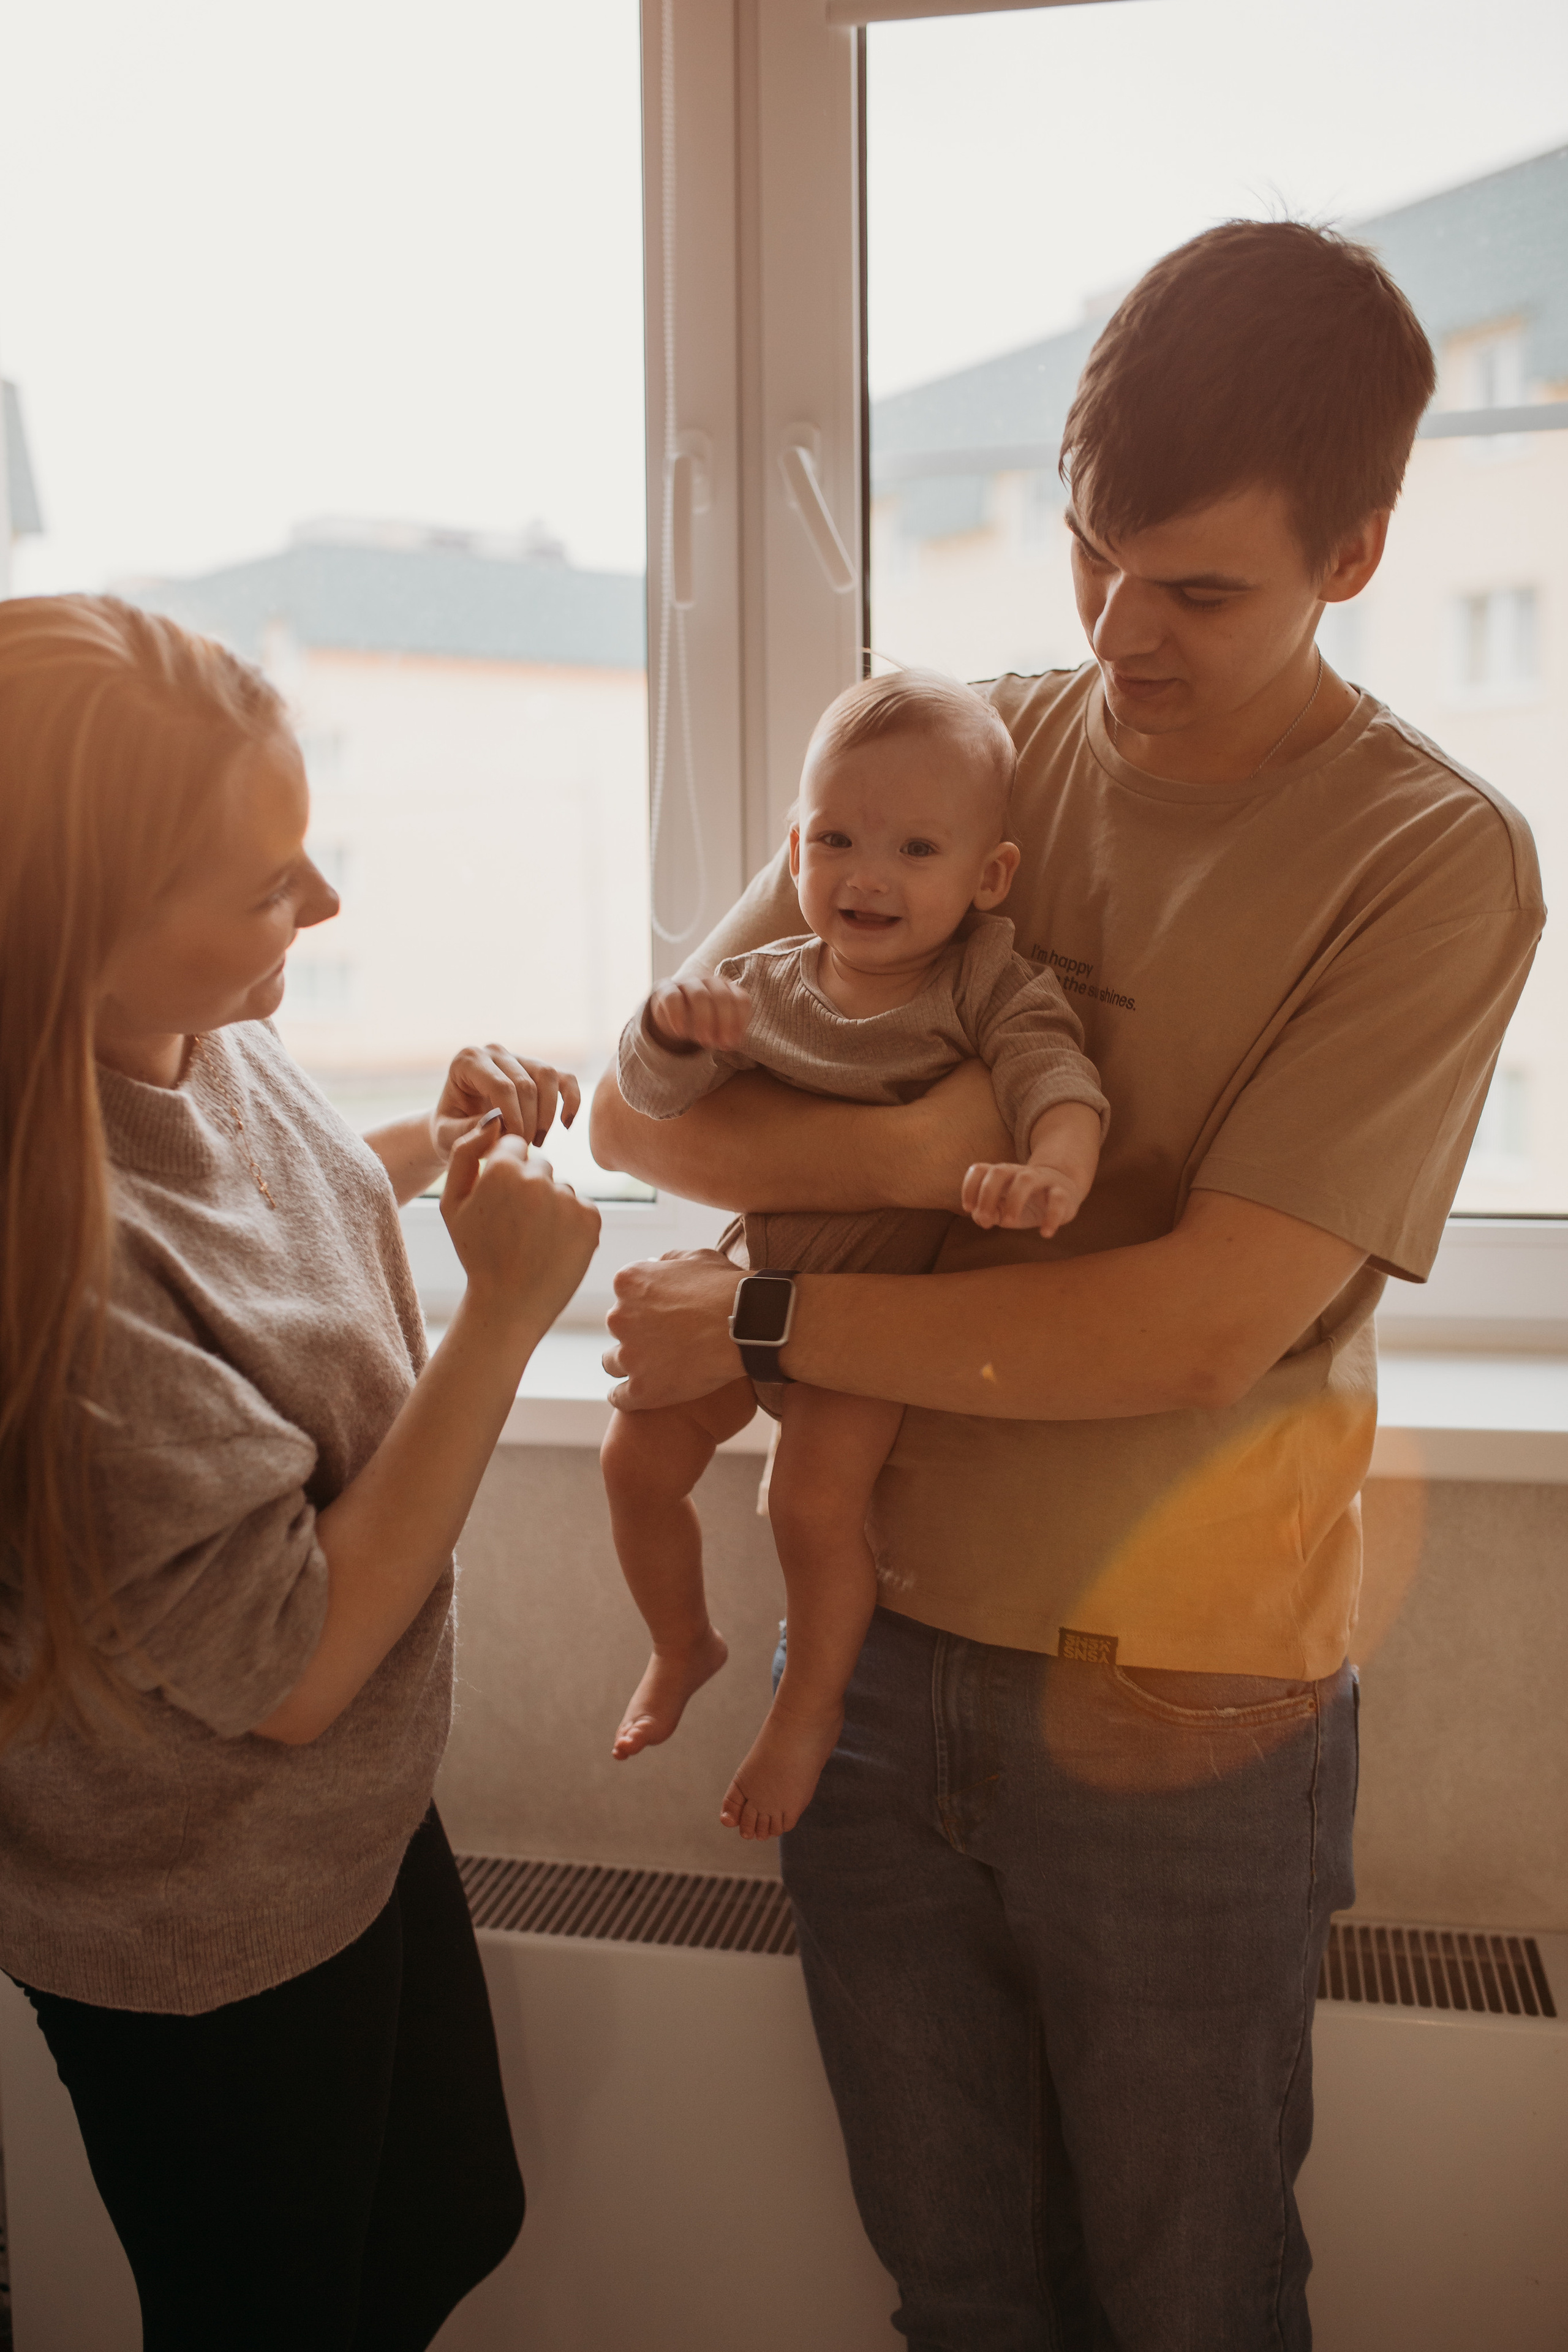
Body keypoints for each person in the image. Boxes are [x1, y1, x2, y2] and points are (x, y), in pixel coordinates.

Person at [592, 221, 1546, 2350]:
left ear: (1363, 553)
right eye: (1090, 555)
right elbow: (640, 1111)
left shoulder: (1431, 857)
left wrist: (766, 1320)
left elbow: (1207, 1322)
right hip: (878, 1657)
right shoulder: (966, 750)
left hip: (1184, 1695)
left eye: (1196, 587)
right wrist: (917, 1155)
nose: (1119, 632)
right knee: (959, 2296)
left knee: (1193, 2300)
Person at [0, 595, 601, 2352]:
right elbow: (298, 1666)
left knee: (444, 2226)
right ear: (80, 933)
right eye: (269, 889)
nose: (323, 909)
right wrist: (503, 1323)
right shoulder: (57, 1289)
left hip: (338, 1832)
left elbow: (276, 1205)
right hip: (197, 1922)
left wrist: (439, 1143)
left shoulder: (178, 1039)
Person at [603, 671, 1107, 1839]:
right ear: (794, 852)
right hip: (742, 1289)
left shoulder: (983, 983)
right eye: (836, 838)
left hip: (864, 1330)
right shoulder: (766, 984)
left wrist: (1057, 1170)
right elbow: (645, 1102)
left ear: (988, 880)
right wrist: (668, 1029)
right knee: (634, 1462)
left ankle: (809, 1712)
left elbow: (1057, 1080)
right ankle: (684, 1644)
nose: (867, 874)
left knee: (810, 1505)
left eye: (916, 848)